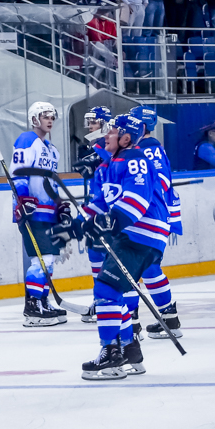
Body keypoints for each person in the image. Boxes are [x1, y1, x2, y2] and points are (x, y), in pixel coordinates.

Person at [51, 113, 171, 380]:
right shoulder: (113, 164)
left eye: (113, 131)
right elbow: (103, 205)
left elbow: (136, 200)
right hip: (133, 235)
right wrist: (73, 228)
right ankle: (129, 349)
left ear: (126, 138)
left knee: (106, 288)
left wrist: (110, 222)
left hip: (142, 233)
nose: (106, 134)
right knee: (112, 290)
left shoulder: (134, 158)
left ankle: (111, 355)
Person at [9, 102, 67, 327]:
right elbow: (18, 172)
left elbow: (51, 181)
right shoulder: (26, 140)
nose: (49, 120)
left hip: (48, 212)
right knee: (42, 259)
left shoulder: (52, 150)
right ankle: (32, 306)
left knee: (48, 261)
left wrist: (59, 203)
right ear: (34, 119)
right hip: (31, 211)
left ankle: (42, 301)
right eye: (45, 116)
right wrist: (22, 198)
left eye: (52, 116)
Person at [133, 106, 184, 340]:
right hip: (152, 216)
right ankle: (169, 317)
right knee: (149, 268)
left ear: (142, 126)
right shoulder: (142, 146)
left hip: (150, 216)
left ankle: (130, 324)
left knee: (134, 267)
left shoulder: (149, 147)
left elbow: (161, 181)